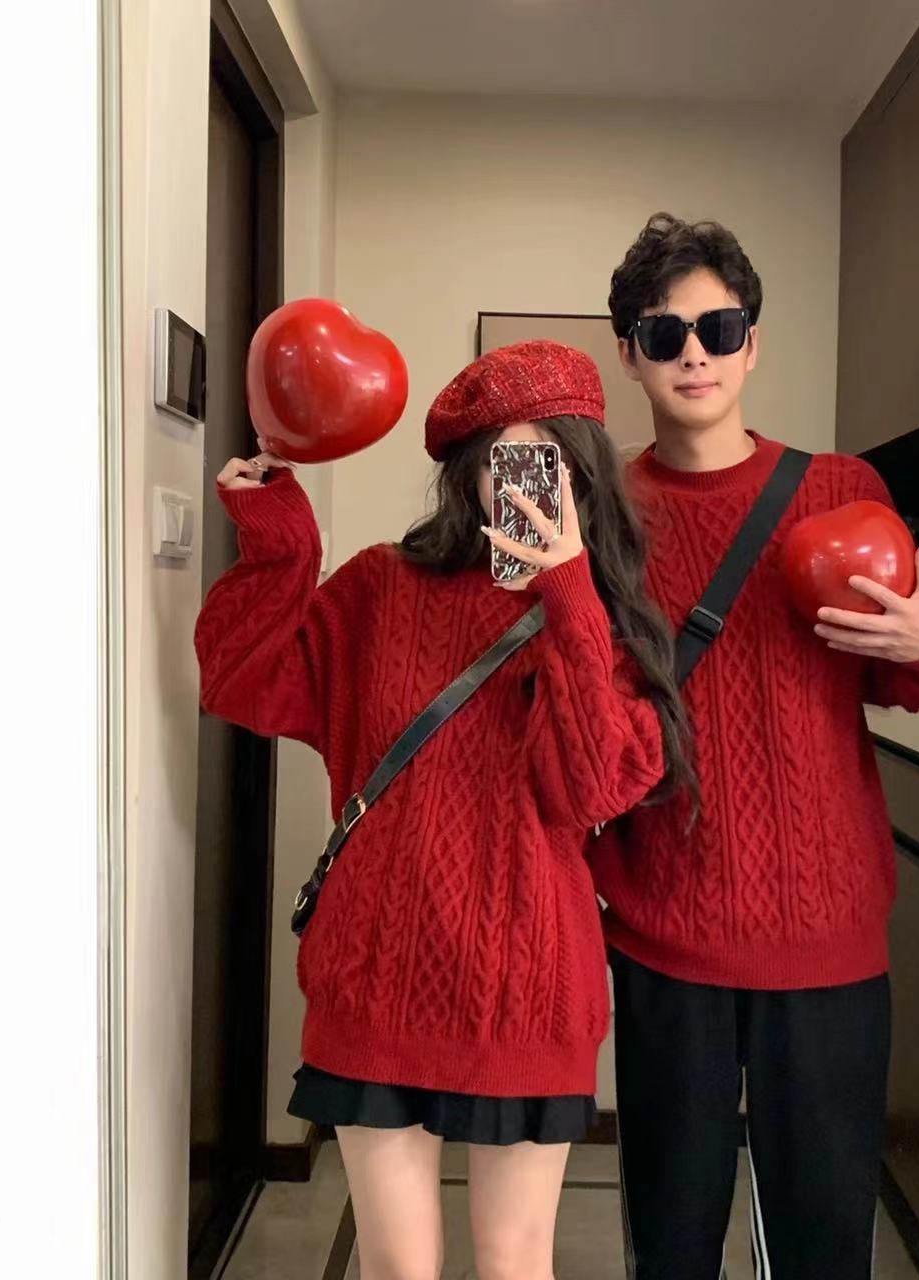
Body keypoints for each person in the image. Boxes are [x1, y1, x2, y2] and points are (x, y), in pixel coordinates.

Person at [195, 339, 691, 1280]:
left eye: (550, 461)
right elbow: (242, 681)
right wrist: (279, 543)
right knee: (397, 1263)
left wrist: (567, 592)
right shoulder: (381, 587)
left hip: (527, 985)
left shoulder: (609, 618)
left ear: (585, 474)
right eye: (505, 460)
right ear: (466, 475)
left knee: (513, 1263)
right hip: (377, 973)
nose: (525, 484)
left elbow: (594, 787)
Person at [591, 214, 919, 1280]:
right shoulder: (603, 515)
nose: (694, 354)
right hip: (665, 933)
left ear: (752, 343)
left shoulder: (840, 491)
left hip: (826, 935)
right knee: (670, 1241)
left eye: (718, 328)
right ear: (628, 353)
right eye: (663, 333)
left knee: (822, 1243)